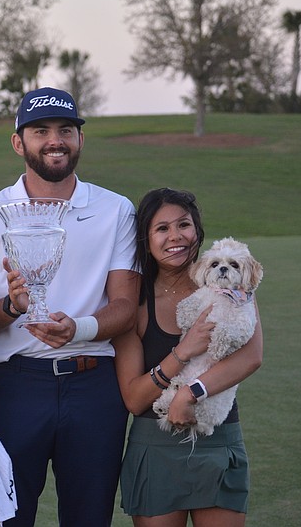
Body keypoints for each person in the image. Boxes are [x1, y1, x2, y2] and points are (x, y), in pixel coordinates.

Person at [0, 87, 139, 527]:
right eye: (40, 131)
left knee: (89, 517)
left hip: (93, 385)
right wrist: (13, 306)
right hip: (14, 387)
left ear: (80, 139)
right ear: (18, 142)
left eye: (65, 130)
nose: (55, 140)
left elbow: (125, 306)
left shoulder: (115, 209)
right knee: (6, 518)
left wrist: (78, 328)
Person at [112, 187, 263, 527]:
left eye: (184, 225)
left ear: (197, 230)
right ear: (146, 239)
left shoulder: (231, 283)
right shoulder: (134, 301)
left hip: (217, 439)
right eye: (161, 228)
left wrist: (189, 393)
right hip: (155, 446)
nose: (175, 236)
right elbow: (134, 399)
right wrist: (183, 352)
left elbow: (252, 357)